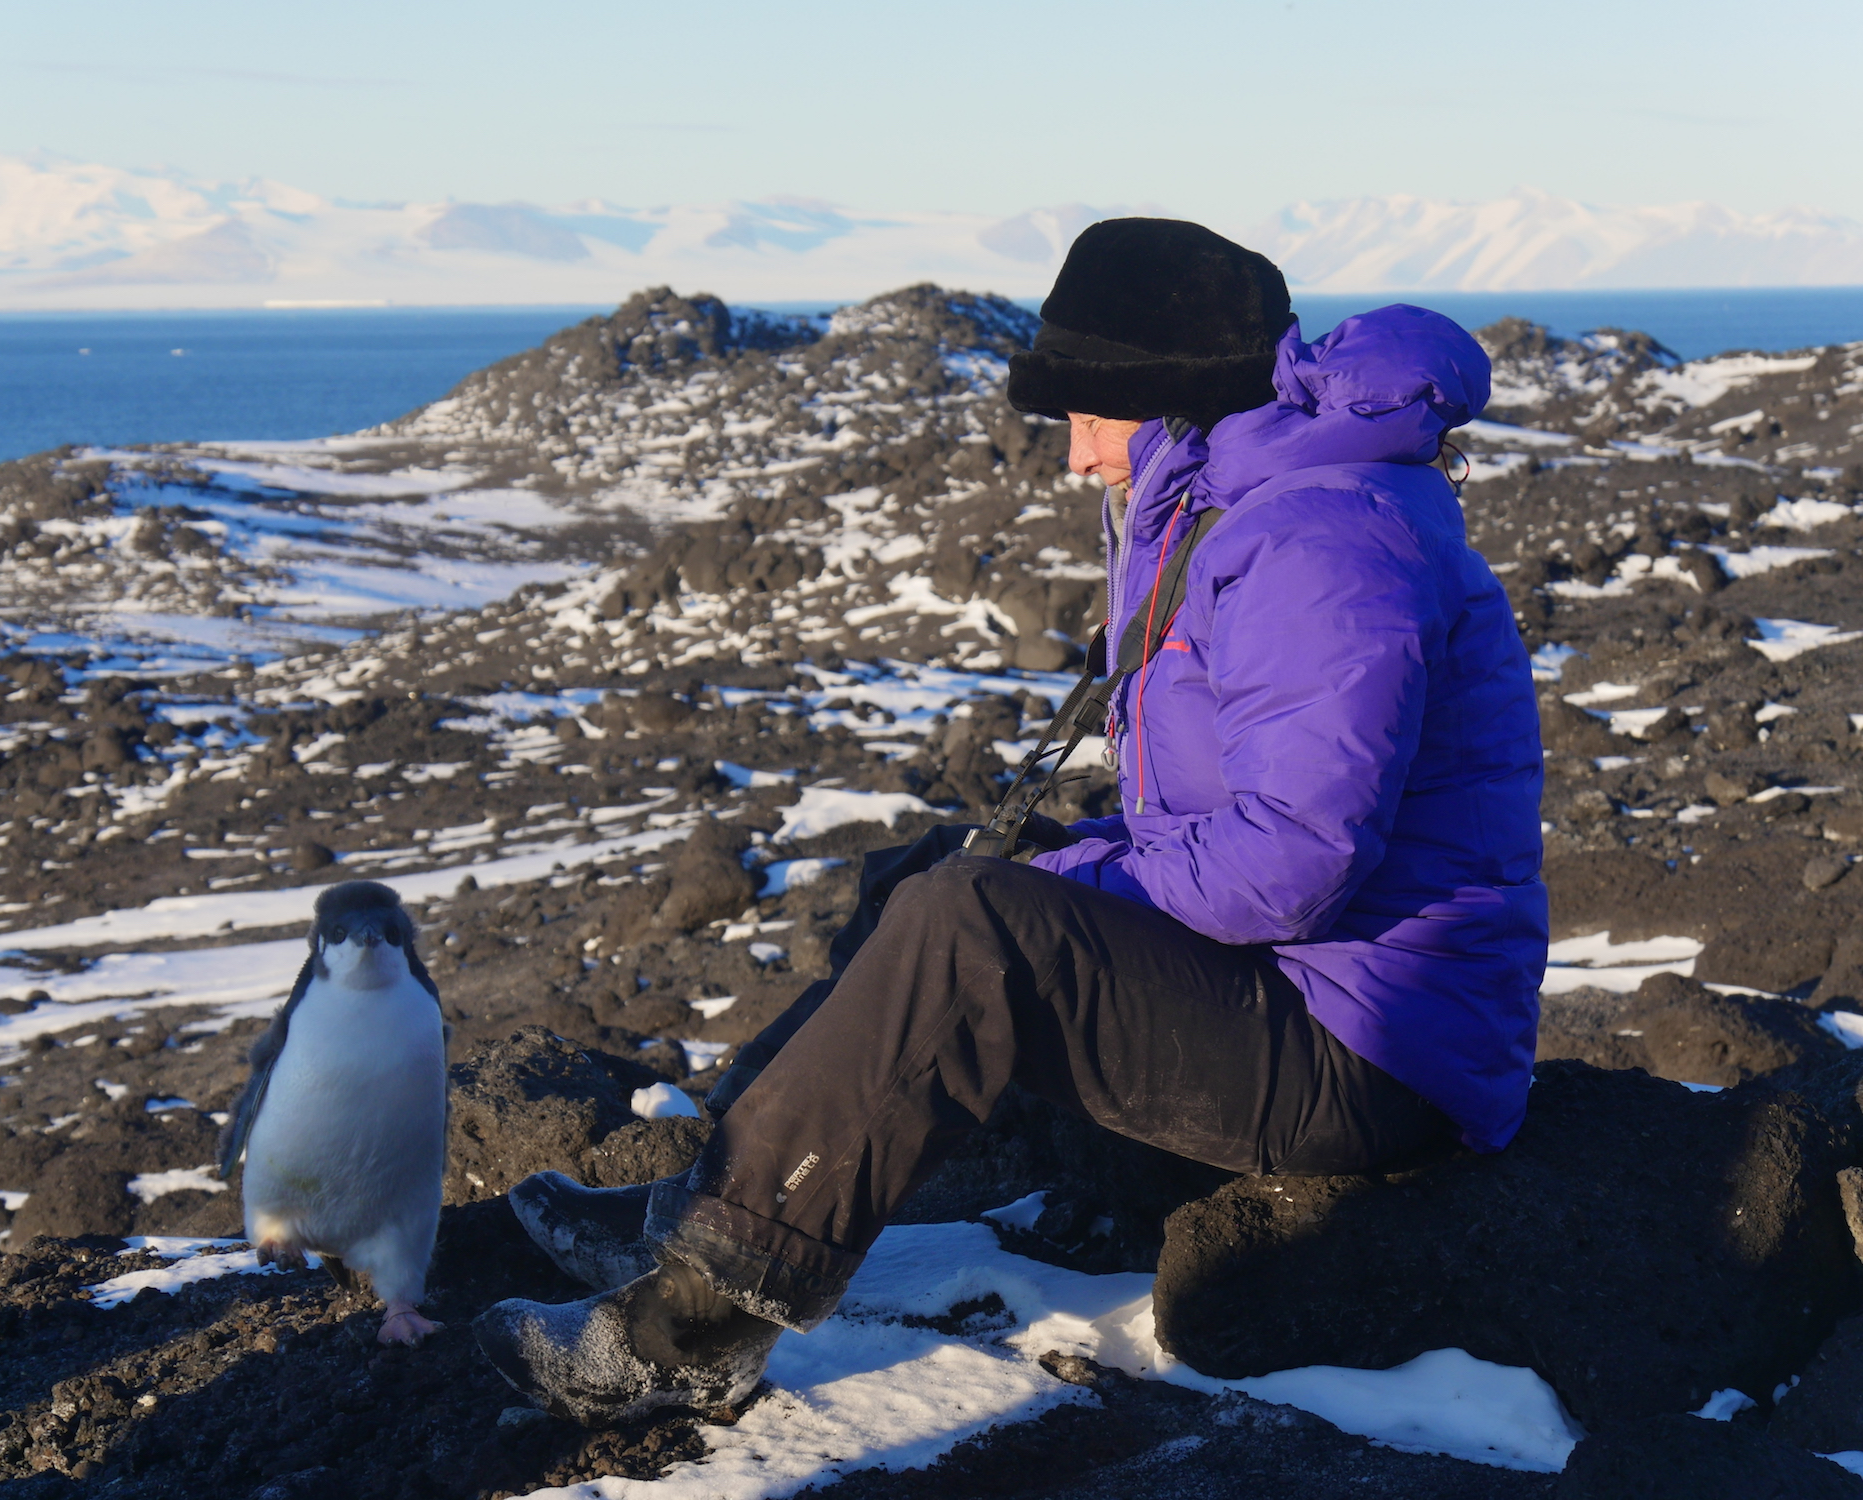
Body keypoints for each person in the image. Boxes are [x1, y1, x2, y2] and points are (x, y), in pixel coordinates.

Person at [472, 218, 1548, 1426]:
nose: (1076, 455)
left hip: (1373, 1051)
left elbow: (1290, 865)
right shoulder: (1233, 502)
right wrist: (1062, 865)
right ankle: (702, 1210)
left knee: (967, 921)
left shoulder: (1318, 541)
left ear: (1174, 397)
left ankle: (690, 1332)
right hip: (1303, 994)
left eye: (1090, 417)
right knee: (938, 877)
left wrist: (1070, 884)